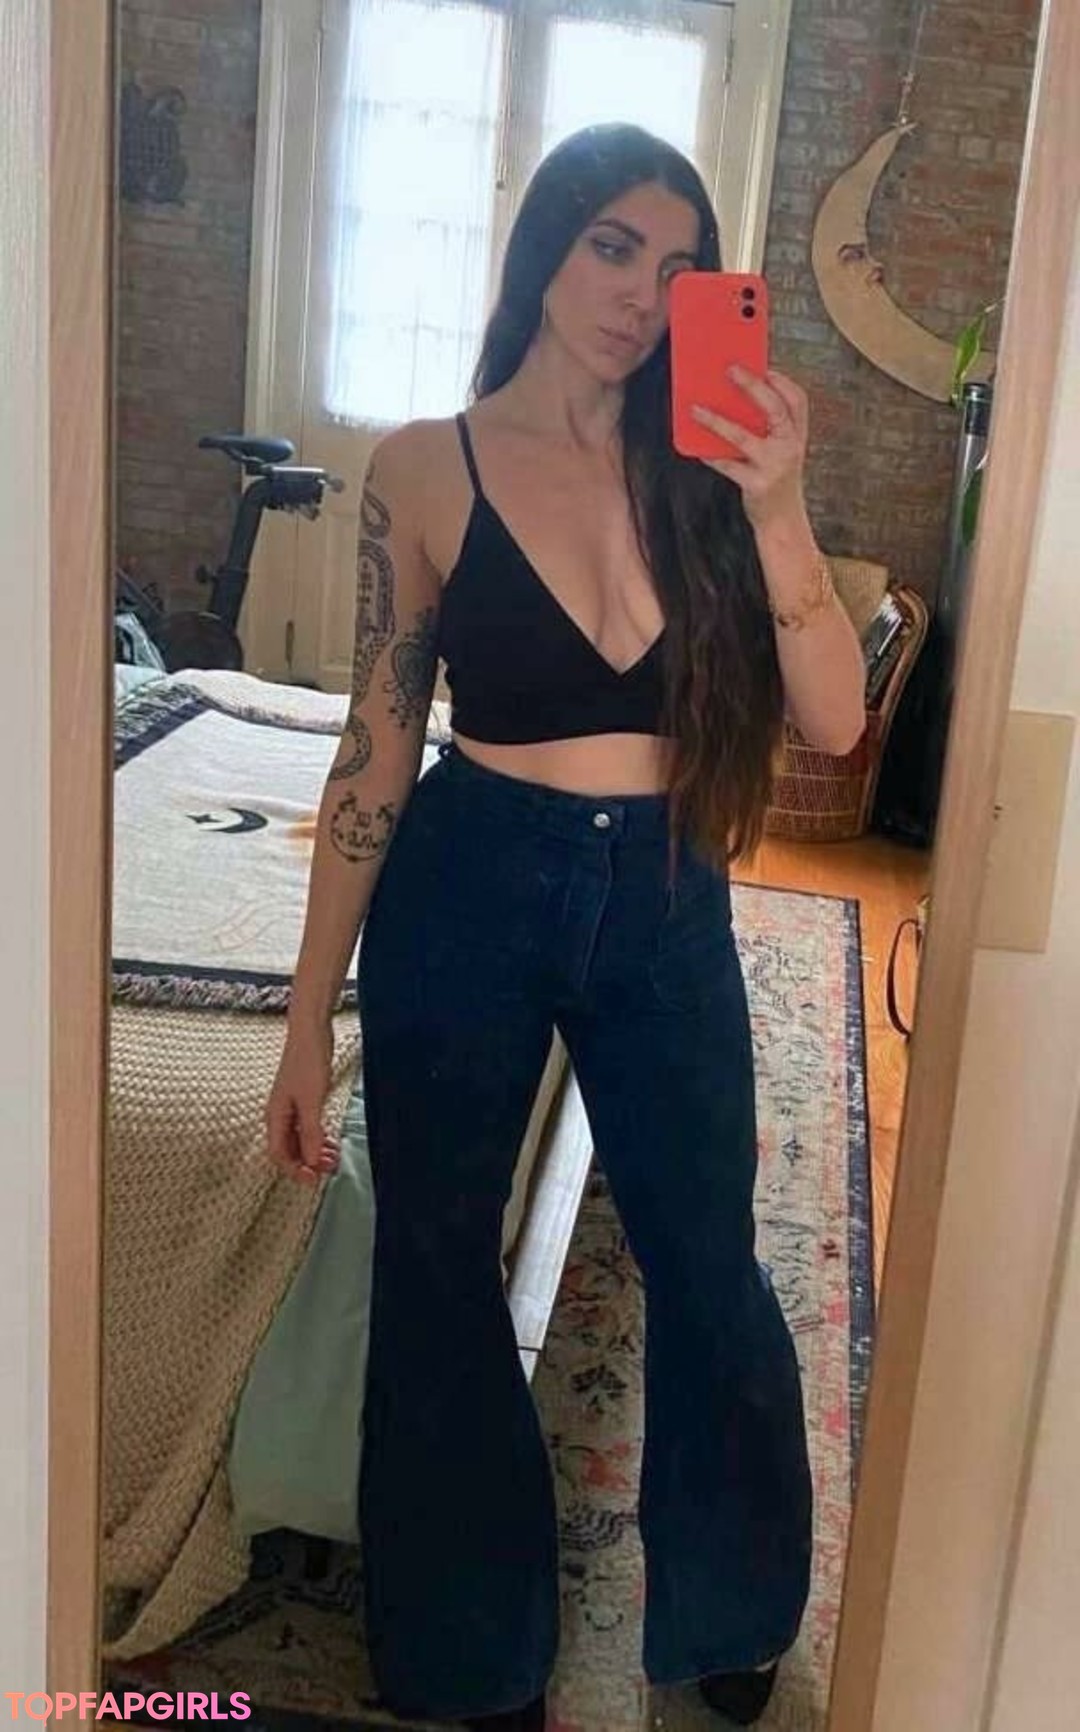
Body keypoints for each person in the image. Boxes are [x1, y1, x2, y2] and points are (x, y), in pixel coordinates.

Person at [266, 123, 866, 1732]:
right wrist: (310, 1014)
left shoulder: (714, 473)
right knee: (438, 1259)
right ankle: (476, 1654)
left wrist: (781, 503)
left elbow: (832, 723)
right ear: (545, 250)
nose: (640, 296)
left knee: (708, 1256)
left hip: (664, 892)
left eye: (678, 268)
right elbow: (376, 745)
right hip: (469, 880)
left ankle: (729, 1604)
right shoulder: (423, 467)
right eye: (610, 247)